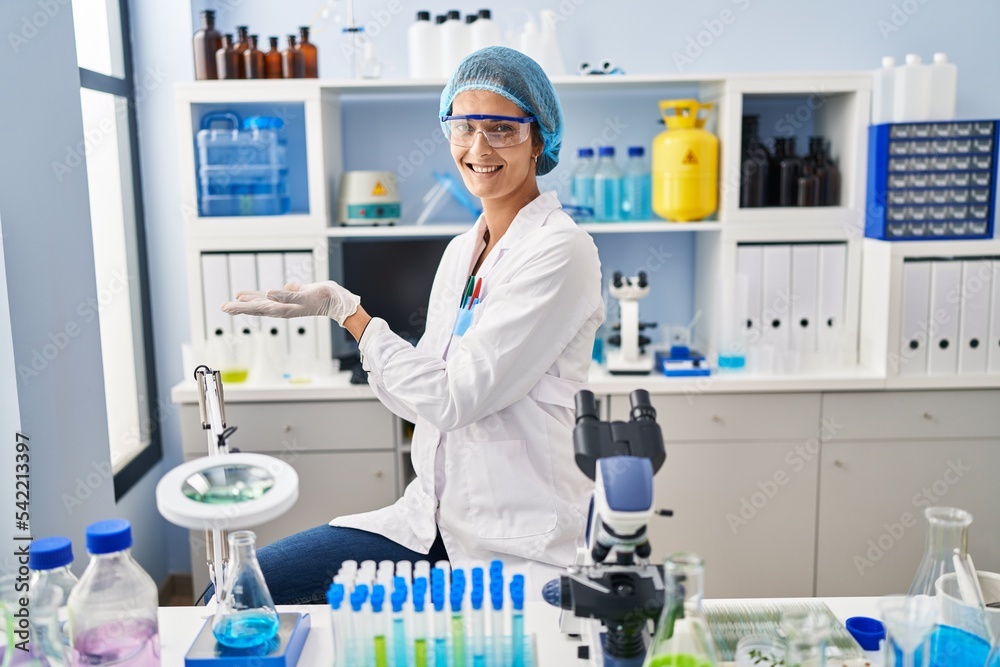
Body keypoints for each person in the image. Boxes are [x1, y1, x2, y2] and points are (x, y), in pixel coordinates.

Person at [220, 46, 604, 604]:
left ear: (538, 137)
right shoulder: (460, 251)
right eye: (463, 127)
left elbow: (452, 398)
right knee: (238, 591)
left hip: (518, 543)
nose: (479, 148)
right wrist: (353, 324)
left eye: (502, 128)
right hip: (429, 521)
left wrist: (348, 314)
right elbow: (417, 396)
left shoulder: (561, 249)